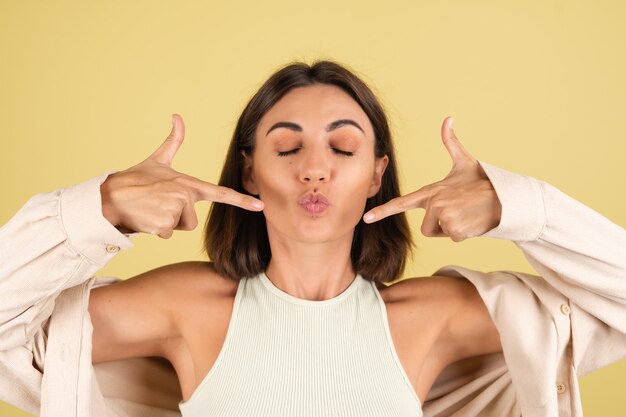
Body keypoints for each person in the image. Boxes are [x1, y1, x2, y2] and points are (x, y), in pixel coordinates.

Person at [0, 60, 625, 417]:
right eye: (288, 146)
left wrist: (515, 206)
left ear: (378, 174)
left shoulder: (431, 319)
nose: (315, 168)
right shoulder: (184, 308)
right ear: (249, 169)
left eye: (344, 146)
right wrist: (99, 208)